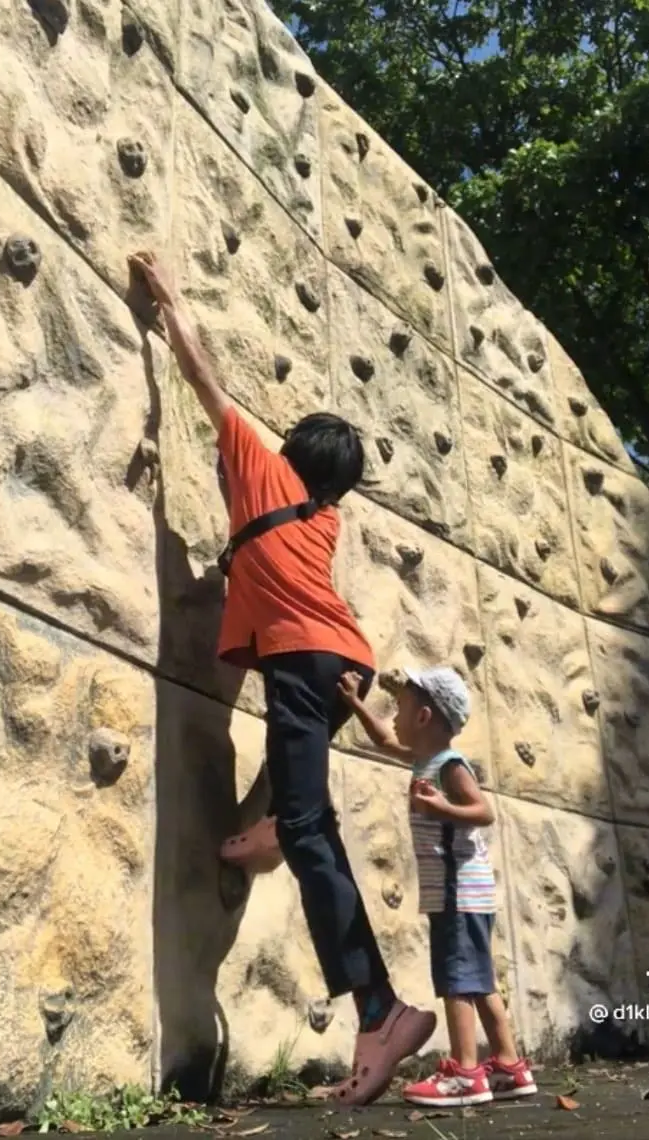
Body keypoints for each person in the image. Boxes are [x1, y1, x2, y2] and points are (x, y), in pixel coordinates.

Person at [128, 251, 436, 1106]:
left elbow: (204, 374)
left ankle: (379, 1008)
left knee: (311, 827)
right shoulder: (326, 514)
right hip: (348, 661)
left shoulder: (267, 471)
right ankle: (264, 832)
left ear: (293, 452)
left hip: (305, 660)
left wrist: (174, 303)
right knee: (296, 810)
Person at [338, 665, 538, 1107]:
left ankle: (466, 1071)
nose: (394, 715)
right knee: (480, 981)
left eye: (401, 707)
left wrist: (443, 806)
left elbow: (483, 811)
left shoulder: (449, 766)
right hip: (465, 892)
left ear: (424, 717)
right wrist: (356, 705)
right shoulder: (423, 759)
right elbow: (384, 740)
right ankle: (508, 1065)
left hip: (458, 890)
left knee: (457, 979)